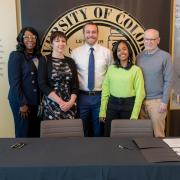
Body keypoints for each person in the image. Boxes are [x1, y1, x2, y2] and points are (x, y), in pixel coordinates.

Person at [71, 21, 112, 137]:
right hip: (81, 97)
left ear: (98, 33)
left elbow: (111, 76)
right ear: (83, 34)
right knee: (82, 130)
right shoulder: (75, 53)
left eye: (94, 32)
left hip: (100, 98)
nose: (91, 34)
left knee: (98, 131)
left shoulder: (107, 53)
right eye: (88, 32)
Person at [99, 40, 145, 137]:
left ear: (129, 51)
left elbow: (140, 94)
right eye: (118, 50)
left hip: (129, 106)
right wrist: (102, 111)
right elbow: (105, 91)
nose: (122, 52)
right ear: (116, 53)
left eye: (124, 49)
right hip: (112, 105)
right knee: (108, 134)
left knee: (127, 136)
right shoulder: (111, 69)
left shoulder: (136, 70)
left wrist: (134, 115)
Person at [136, 28, 173, 137]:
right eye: (147, 39)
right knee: (143, 136)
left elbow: (169, 80)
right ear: (143, 40)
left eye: (152, 39)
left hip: (157, 102)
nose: (149, 42)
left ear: (158, 40)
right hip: (141, 102)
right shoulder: (139, 57)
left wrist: (164, 101)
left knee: (158, 135)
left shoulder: (165, 56)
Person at [8, 27, 42, 137]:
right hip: (22, 101)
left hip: (35, 101)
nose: (30, 39)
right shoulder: (16, 56)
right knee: (23, 133)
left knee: (35, 132)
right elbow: (14, 83)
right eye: (26, 37)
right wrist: (22, 104)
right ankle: (21, 154)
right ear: (21, 39)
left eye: (33, 37)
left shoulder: (39, 57)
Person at [38, 31, 78, 120]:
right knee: (53, 132)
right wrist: (60, 102)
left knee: (69, 132)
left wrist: (70, 103)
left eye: (63, 41)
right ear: (52, 44)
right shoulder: (44, 60)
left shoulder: (70, 61)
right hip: (51, 105)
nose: (61, 43)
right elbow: (42, 84)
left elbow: (75, 86)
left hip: (69, 106)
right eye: (57, 41)